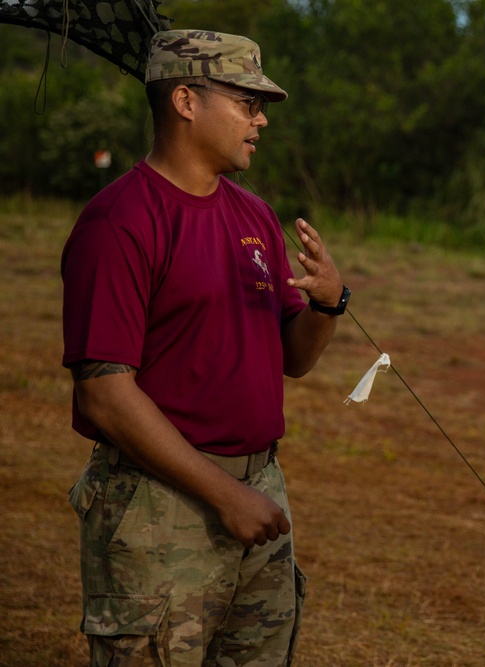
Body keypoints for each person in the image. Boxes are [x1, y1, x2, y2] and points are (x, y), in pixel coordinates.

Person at [61, 30, 350, 664]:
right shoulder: (120, 223)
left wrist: (328, 304)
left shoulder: (253, 217)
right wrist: (226, 495)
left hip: (259, 493)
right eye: (247, 102)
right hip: (158, 504)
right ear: (186, 101)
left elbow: (292, 358)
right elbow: (105, 393)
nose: (261, 119)